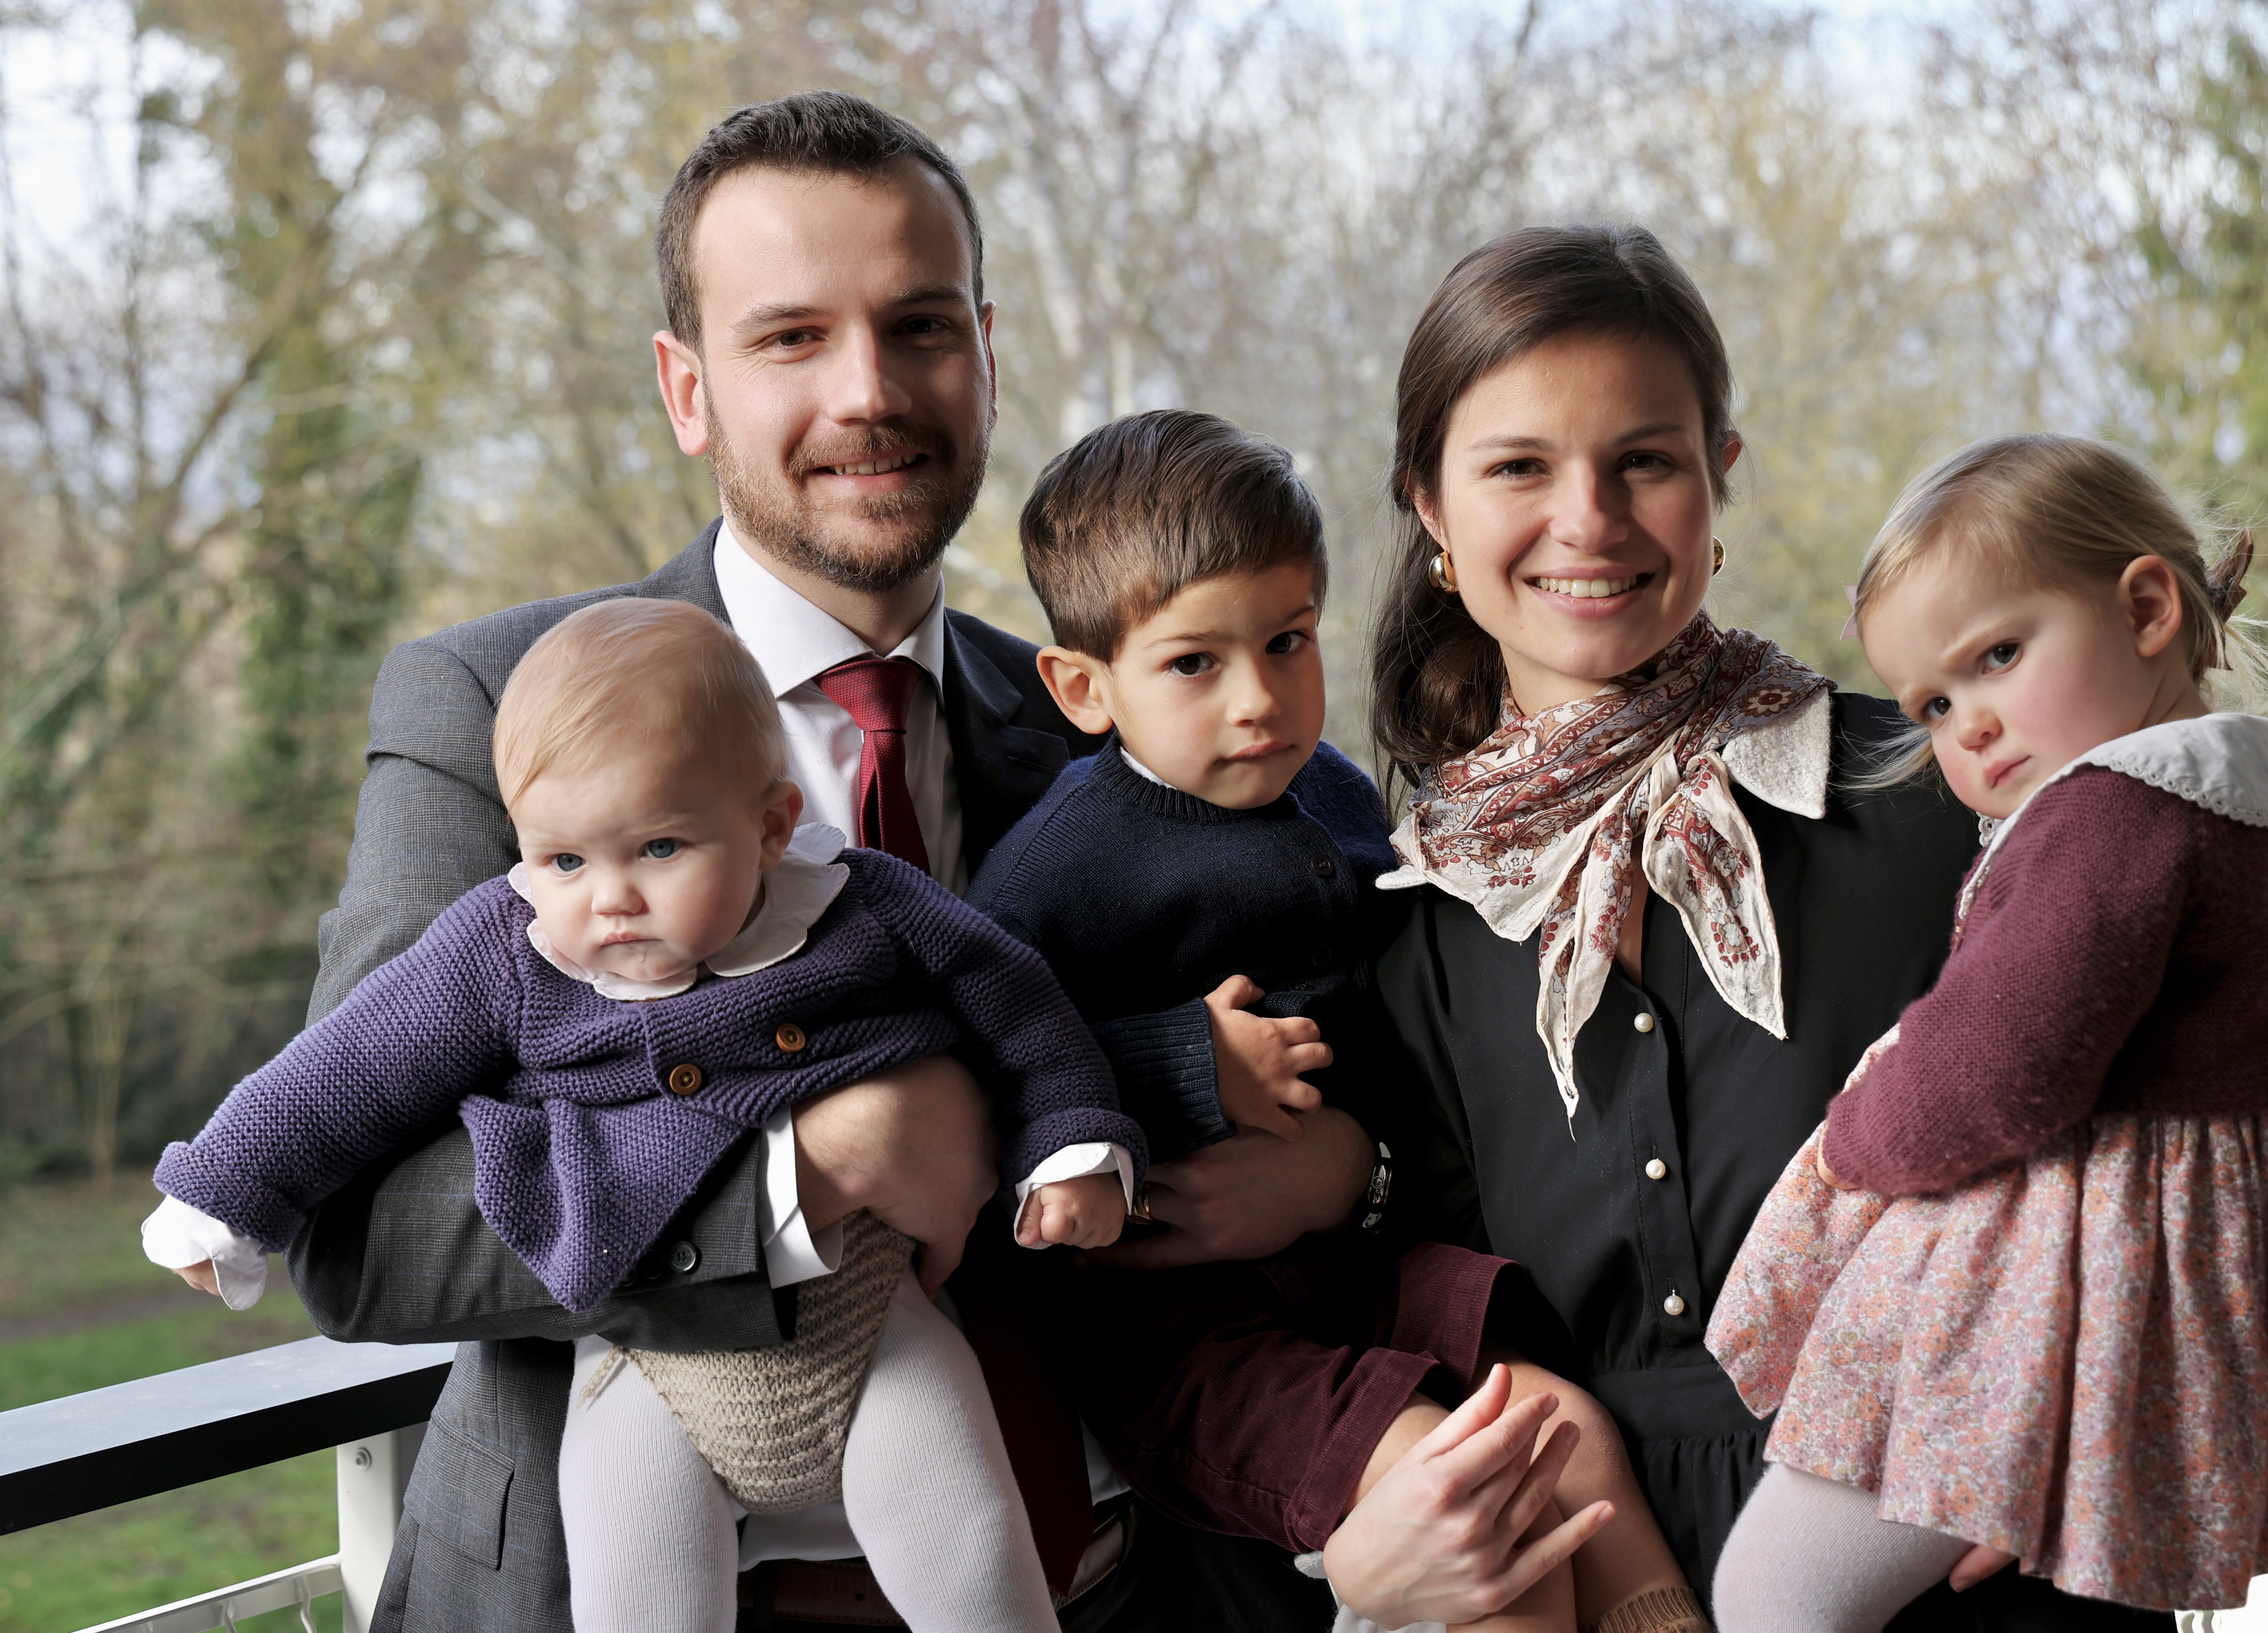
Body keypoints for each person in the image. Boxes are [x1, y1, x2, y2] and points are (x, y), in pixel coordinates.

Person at [276, 92, 1365, 1632]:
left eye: (920, 326)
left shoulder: (1125, 707)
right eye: (790, 336)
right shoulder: (498, 706)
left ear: (985, 353)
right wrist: (802, 1173)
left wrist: (1348, 1170)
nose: (869, 389)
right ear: (686, 387)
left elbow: (1329, 1047)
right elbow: (354, 1220)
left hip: (1129, 1579)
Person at [1319, 225, 2173, 1633]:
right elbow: (1443, 1301)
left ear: (1719, 476)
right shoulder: (1412, 919)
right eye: (1520, 467)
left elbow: (2157, 1132)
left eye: (1642, 461)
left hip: (1988, 1547)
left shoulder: (1932, 789)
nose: (1587, 520)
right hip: (1613, 1581)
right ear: (1429, 507)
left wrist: (2063, 1407)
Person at [142, 599, 1145, 1633]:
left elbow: (1020, 1004)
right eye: (565, 861)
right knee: (640, 1595)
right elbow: (350, 1069)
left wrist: (1071, 1144)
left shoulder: (859, 902)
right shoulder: (506, 948)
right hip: (635, 1355)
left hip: (875, 1318)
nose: (609, 899)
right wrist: (225, 1193)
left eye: (659, 849)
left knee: (972, 1554)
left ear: (768, 824)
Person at [966, 408, 1702, 1633]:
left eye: (1289, 640)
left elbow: (1414, 1037)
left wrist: (1356, 1164)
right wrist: (1182, 1072)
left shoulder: (1340, 797)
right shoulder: (1062, 866)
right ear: (1084, 688)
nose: (1260, 697)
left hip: (1363, 1264)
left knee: (1566, 1433)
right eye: (1195, 664)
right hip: (1187, 1334)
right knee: (1470, 1495)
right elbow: (984, 1070)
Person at [1702, 434, 2268, 1629]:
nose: (1973, 727)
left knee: (1772, 1594)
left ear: (2148, 607)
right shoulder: (2251, 791)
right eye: (1935, 705)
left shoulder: (2116, 813)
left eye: (1998, 655)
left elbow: (1997, 1076)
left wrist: (1860, 1132)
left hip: (2044, 1308)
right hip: (2148, 1303)